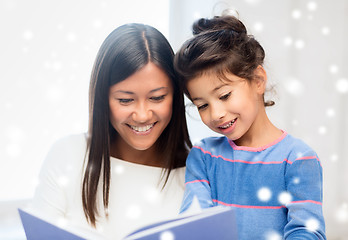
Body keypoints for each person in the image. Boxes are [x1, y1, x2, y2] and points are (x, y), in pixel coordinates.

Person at [31, 23, 192, 239]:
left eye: (157, 97)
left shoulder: (196, 173)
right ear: (103, 99)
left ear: (175, 96)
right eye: (125, 100)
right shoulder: (67, 156)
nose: (142, 115)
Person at [174, 14, 326, 239]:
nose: (216, 114)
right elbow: (195, 225)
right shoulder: (204, 157)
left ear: (257, 80)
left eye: (224, 95)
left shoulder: (298, 159)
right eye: (202, 105)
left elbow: (307, 232)